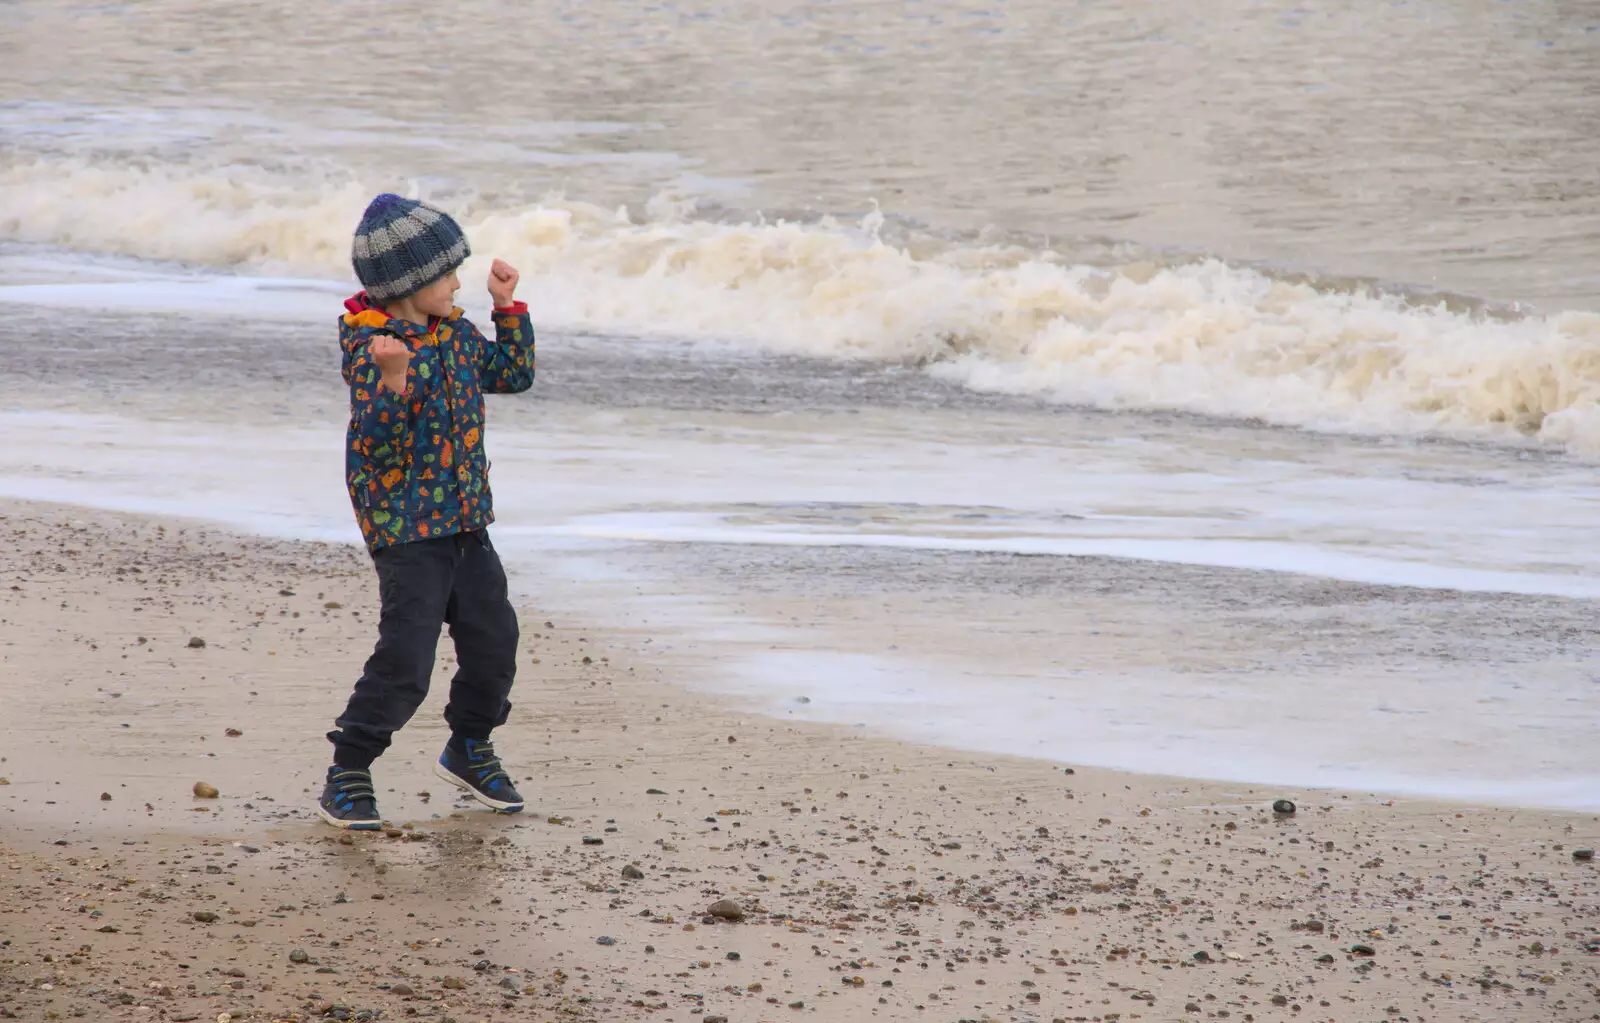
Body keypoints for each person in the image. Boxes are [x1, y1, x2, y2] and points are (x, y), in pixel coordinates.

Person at [317, 193, 536, 830]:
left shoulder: (457, 333)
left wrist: (506, 308)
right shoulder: (373, 347)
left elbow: (513, 374)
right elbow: (376, 444)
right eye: (448, 275)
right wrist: (391, 380)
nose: (458, 283)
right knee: (407, 661)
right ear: (410, 284)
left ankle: (470, 746)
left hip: (467, 523)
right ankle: (349, 772)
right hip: (408, 532)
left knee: (495, 643)